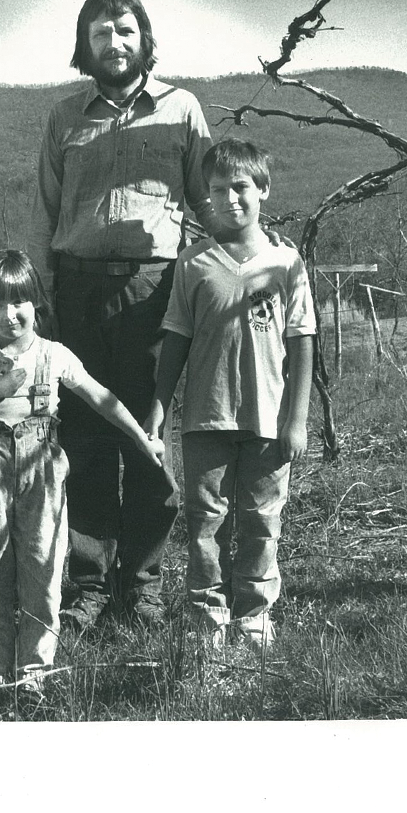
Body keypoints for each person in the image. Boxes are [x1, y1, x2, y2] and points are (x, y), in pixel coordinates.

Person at [29, 0, 215, 630]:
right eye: (102, 33)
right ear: (86, 44)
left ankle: (141, 588)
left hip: (152, 292)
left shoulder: (182, 109)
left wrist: (242, 255)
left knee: (144, 435)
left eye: (126, 31)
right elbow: (44, 210)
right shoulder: (63, 117)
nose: (115, 43)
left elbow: (210, 199)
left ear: (145, 39)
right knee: (83, 437)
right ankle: (87, 589)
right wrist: (40, 296)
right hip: (76, 290)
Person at [0, 250, 164, 698]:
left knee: (43, 566)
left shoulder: (55, 356)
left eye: (19, 301)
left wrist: (142, 437)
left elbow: (101, 399)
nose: (9, 314)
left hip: (41, 467)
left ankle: (34, 669)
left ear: (36, 304)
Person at [143, 140, 315, 650]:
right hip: (205, 419)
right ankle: (208, 617)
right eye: (218, 190)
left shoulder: (286, 261)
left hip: (268, 419)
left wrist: (297, 420)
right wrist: (157, 413)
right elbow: (174, 342)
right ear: (207, 196)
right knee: (205, 522)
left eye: (241, 187)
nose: (230, 199)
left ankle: (255, 613)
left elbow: (301, 340)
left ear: (263, 190)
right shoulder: (193, 264)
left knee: (262, 520)